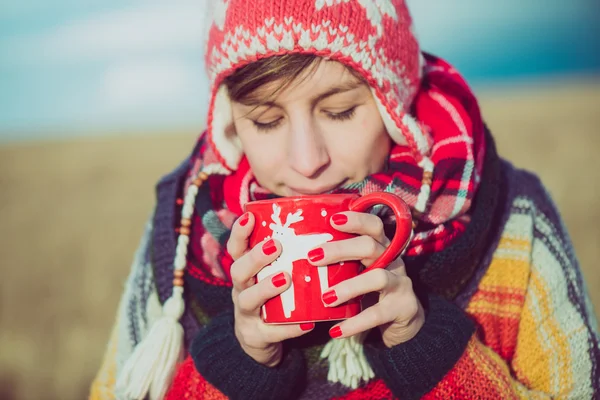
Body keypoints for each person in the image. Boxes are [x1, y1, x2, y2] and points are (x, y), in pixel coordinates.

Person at [90, 1, 600, 399]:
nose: (307, 160)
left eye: (338, 111)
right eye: (266, 122)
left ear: (391, 103)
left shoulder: (513, 216)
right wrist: (238, 364)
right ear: (230, 124)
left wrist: (428, 349)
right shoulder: (186, 232)